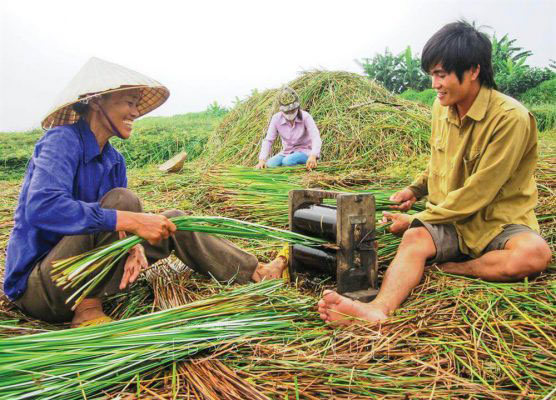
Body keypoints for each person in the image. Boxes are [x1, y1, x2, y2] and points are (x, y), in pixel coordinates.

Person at [4, 57, 284, 328]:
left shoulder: (114, 161)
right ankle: (87, 310)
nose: (136, 113)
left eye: (137, 105)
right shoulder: (61, 141)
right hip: (45, 287)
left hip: (94, 273)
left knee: (173, 221)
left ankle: (256, 273)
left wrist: (133, 244)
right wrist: (133, 221)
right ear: (97, 101)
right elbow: (43, 208)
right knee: (125, 202)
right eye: (129, 103)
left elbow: (112, 229)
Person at [318, 21, 552, 325]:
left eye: (441, 75)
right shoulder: (440, 108)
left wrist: (419, 218)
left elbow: (480, 191)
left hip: (498, 221)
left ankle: (455, 267)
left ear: (473, 70)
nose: (434, 85)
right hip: (452, 220)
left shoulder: (511, 119)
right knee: (415, 239)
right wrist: (415, 191)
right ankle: (378, 309)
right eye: (432, 75)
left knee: (534, 255)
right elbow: (439, 160)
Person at [255, 87, 322, 170]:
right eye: (287, 112)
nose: (290, 114)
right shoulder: (276, 118)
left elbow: (315, 137)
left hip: (305, 152)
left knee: (288, 162)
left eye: (292, 111)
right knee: (270, 165)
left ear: (297, 107)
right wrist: (262, 160)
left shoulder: (306, 117)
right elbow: (268, 140)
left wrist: (313, 156)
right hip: (287, 152)